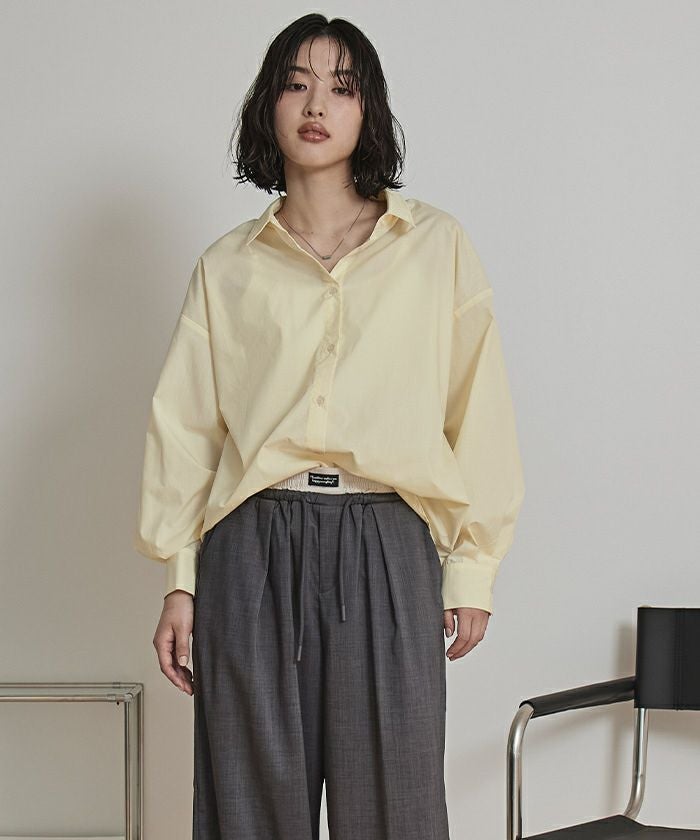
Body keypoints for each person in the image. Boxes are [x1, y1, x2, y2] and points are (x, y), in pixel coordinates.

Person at [133, 12, 525, 840]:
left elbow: (478, 413)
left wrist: (473, 570)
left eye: (342, 88)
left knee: (397, 813)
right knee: (249, 814)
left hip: (388, 542)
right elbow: (188, 431)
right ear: (268, 105)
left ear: (368, 110)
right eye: (296, 84)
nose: (316, 105)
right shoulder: (228, 266)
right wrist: (179, 577)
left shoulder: (435, 247)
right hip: (251, 547)